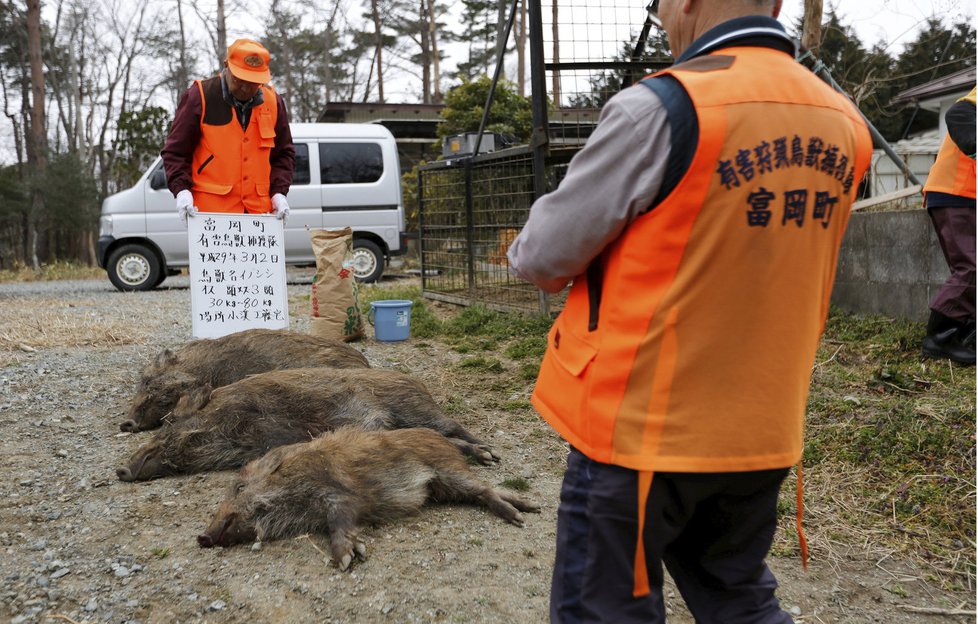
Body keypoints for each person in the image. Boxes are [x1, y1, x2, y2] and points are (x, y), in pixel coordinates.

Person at [506, 1, 872, 622]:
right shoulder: (846, 123)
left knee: (606, 609)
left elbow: (542, 257)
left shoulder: (664, 107)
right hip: (764, 431)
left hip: (644, 432)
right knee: (736, 595)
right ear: (778, 4)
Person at [161, 38, 295, 224]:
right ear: (226, 66)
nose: (246, 87)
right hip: (212, 218)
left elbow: (284, 154)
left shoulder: (274, 103)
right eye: (239, 80)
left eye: (253, 82)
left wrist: (279, 193)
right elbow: (175, 152)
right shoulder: (200, 96)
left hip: (260, 217)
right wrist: (182, 191)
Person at [920, 86, 976, 366]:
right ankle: (939, 337)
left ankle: (963, 333)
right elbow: (959, 113)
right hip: (956, 193)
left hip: (964, 194)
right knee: (971, 268)